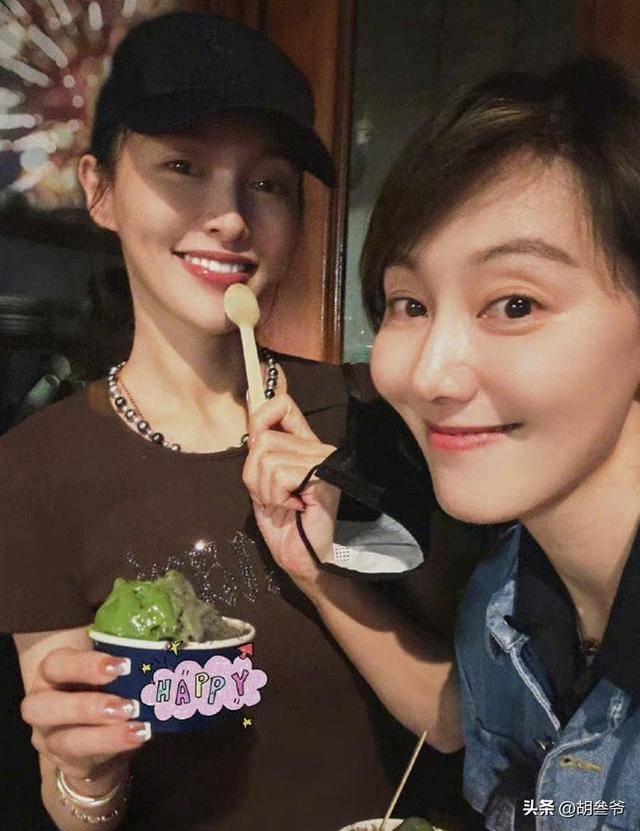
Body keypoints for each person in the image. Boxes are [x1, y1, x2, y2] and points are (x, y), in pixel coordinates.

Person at [0, 12, 472, 831]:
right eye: (183, 166)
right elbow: (72, 803)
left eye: (269, 183)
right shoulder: (32, 470)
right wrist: (84, 771)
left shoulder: (374, 419)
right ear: (99, 189)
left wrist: (319, 572)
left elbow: (457, 720)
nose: (229, 217)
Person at [246, 55, 640, 829]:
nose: (429, 375)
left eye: (515, 303)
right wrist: (314, 570)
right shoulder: (505, 597)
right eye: (409, 303)